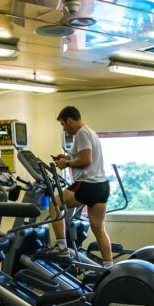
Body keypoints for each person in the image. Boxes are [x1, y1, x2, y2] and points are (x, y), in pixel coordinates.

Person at [45, 105, 113, 267]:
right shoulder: (90, 132)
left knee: (55, 204)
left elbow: (86, 160)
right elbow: (83, 156)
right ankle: (109, 268)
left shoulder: (81, 133)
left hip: (88, 185)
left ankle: (61, 248)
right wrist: (67, 157)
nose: (64, 128)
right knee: (99, 229)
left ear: (69, 120)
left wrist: (66, 163)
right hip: (102, 186)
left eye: (63, 124)